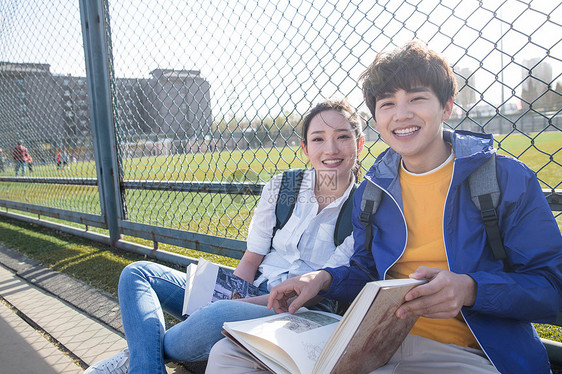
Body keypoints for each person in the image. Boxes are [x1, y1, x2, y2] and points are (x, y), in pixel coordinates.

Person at [206, 41, 562, 374]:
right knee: (229, 353)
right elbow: (366, 270)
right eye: (387, 103)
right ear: (376, 118)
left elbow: (552, 286)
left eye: (417, 98)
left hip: (468, 351)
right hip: (376, 340)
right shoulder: (375, 190)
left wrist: (471, 289)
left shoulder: (504, 179)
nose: (401, 115)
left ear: (448, 105)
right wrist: (323, 279)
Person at [84, 98, 365, 374]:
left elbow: (319, 290)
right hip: (253, 287)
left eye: (342, 137)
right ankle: (144, 364)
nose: (330, 149)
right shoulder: (283, 186)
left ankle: (139, 355)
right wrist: (231, 295)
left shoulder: (361, 208)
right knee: (137, 273)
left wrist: (230, 307)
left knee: (213, 317)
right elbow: (252, 258)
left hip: (298, 308)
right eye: (318, 139)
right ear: (305, 147)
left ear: (359, 144)